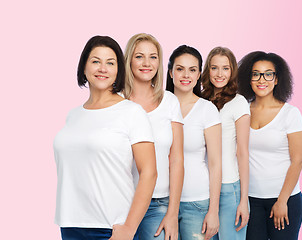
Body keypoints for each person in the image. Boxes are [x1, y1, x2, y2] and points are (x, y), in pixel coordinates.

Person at [53, 35, 157, 240]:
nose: (103, 68)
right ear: (84, 67)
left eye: (110, 63)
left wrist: (129, 228)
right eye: (95, 61)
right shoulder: (73, 115)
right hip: (70, 224)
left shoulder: (132, 112)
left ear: (118, 70)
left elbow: (149, 173)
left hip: (110, 227)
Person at [237, 51, 302, 240]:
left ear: (276, 80)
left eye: (268, 74)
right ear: (248, 79)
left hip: (285, 200)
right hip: (250, 200)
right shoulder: (242, 111)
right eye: (256, 74)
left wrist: (282, 200)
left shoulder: (290, 114)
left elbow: (298, 160)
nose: (262, 79)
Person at [123, 33, 184, 240]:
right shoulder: (116, 101)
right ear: (129, 59)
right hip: (121, 204)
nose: (147, 63)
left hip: (159, 203)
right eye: (139, 56)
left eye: (153, 56)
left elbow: (176, 159)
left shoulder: (170, 101)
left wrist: (172, 214)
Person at [166, 45, 222, 240]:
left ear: (199, 74)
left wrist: (213, 211)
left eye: (192, 70)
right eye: (180, 68)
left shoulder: (207, 110)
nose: (185, 75)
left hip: (197, 203)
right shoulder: (159, 107)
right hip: (161, 203)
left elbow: (215, 164)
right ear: (170, 72)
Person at [202, 47, 250, 239]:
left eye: (225, 68)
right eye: (214, 68)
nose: (219, 74)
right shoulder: (201, 101)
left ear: (232, 72)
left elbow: (243, 152)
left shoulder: (238, 103)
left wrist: (243, 200)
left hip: (229, 188)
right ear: (207, 70)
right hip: (203, 188)